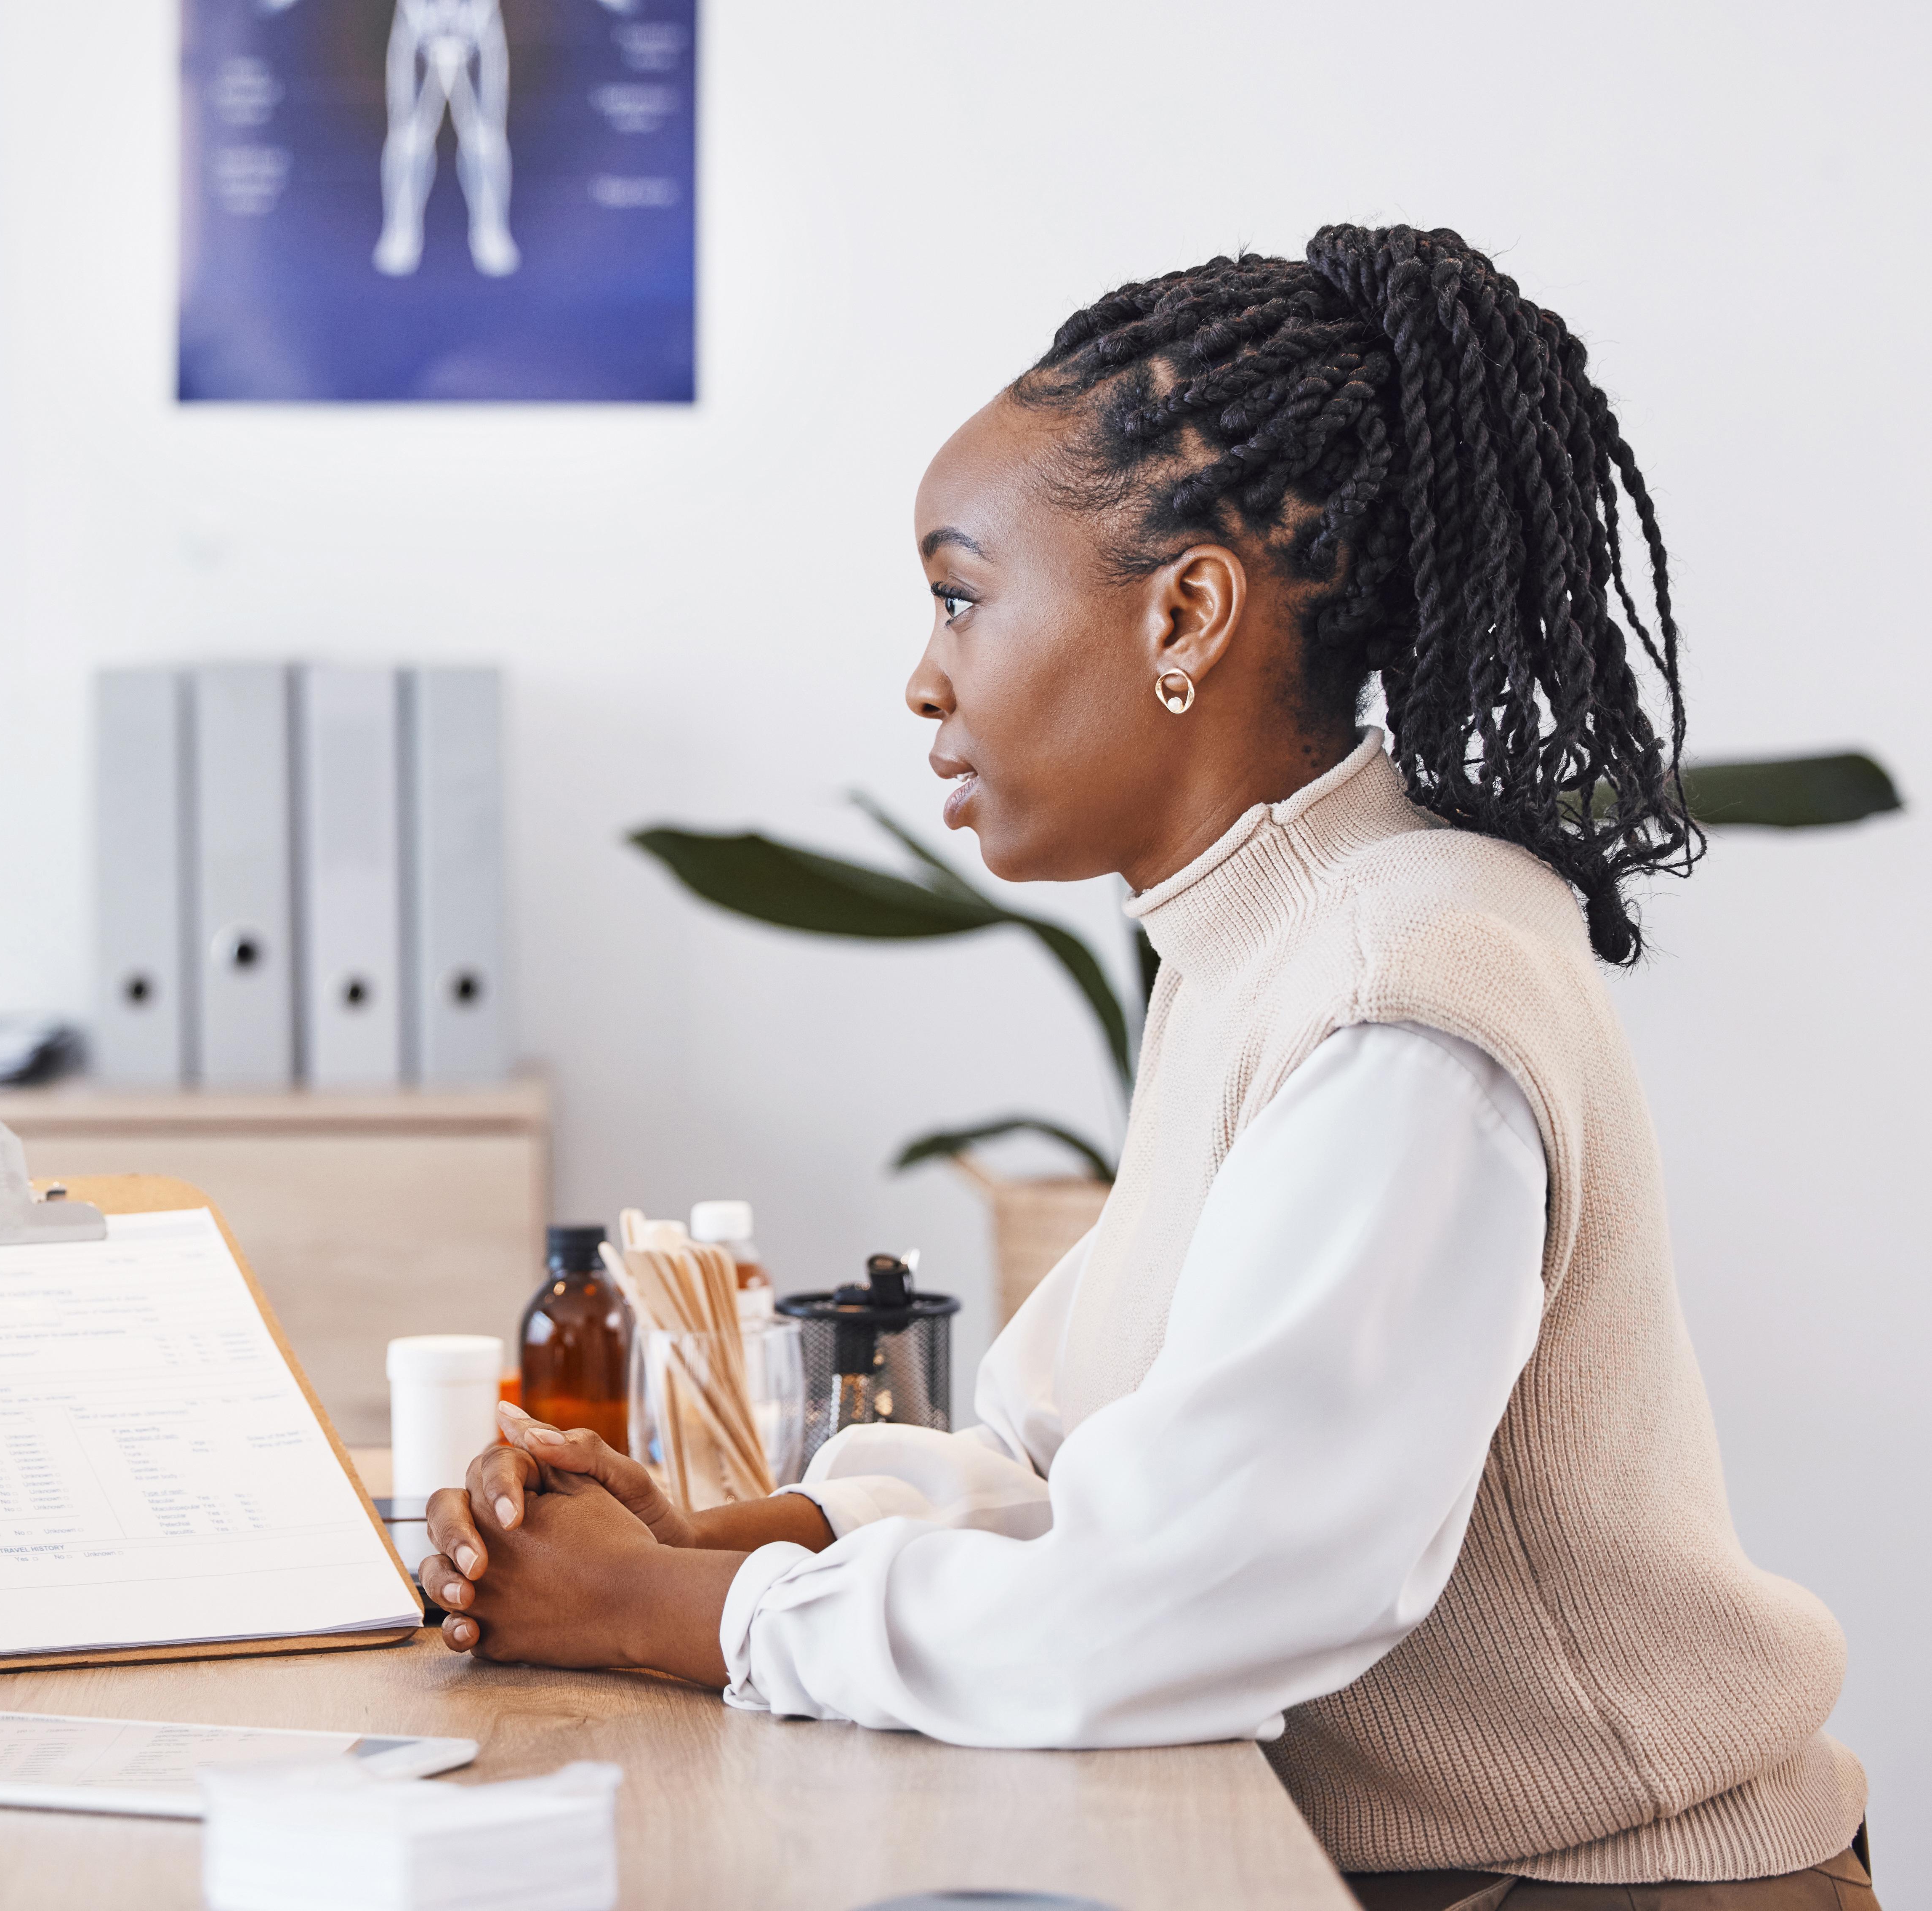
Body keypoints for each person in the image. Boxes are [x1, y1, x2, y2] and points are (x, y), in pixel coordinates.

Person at [413, 226, 1872, 1908]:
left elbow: (1201, 1585)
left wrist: (669, 1617)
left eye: (960, 593)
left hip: (1615, 1893)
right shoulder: (1269, 931)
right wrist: (729, 1539)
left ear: (1187, 610)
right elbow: (1073, 1460)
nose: (922, 675)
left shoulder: (1402, 989)